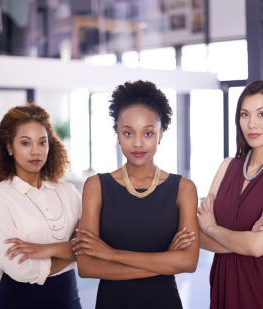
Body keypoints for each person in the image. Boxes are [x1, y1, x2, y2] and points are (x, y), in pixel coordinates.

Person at [72, 80, 200, 309]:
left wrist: (111, 254)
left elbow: (188, 262)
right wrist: (164, 261)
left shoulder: (184, 188)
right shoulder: (96, 186)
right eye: (128, 132)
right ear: (117, 134)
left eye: (148, 133)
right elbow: (87, 267)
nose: (138, 143)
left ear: (161, 134)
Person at [197, 80, 263, 309]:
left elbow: (257, 248)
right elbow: (196, 237)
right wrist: (247, 240)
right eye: (245, 114)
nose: (251, 124)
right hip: (222, 285)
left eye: (262, 114)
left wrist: (212, 229)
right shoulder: (227, 166)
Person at [0, 103, 82, 309]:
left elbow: (92, 246)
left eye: (42, 142)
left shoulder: (68, 192)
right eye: (25, 143)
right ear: (9, 147)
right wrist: (74, 255)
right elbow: (21, 269)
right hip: (19, 300)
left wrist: (46, 250)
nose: (36, 151)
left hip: (69, 299)